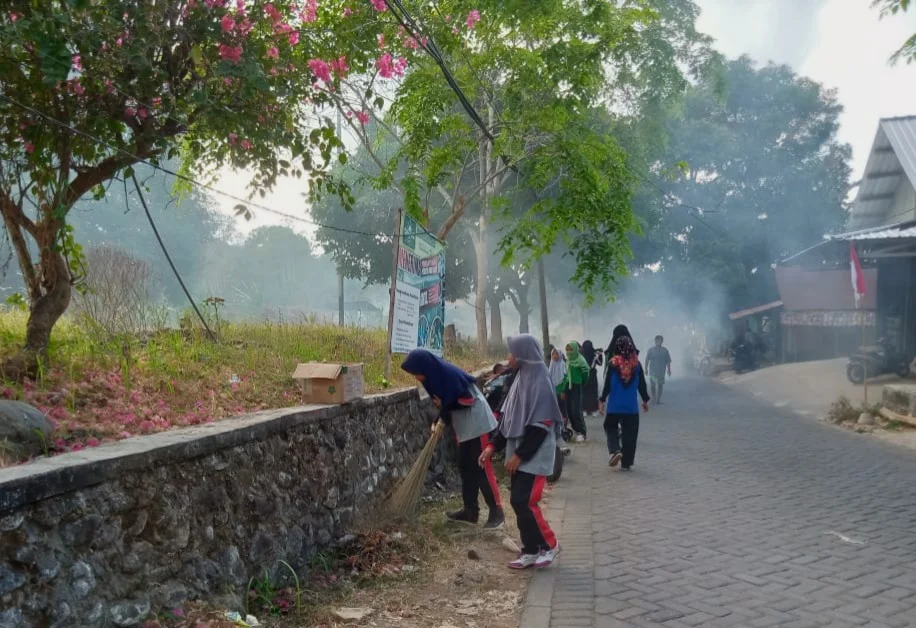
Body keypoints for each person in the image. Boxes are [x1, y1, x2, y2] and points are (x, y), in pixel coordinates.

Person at [479, 334, 561, 569]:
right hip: (520, 455)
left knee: (526, 501)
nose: (508, 357)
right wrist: (492, 446)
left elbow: (541, 427)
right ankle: (531, 550)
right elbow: (508, 420)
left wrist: (519, 455)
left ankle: (550, 544)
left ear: (524, 354)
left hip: (534, 456)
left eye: (512, 352)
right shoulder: (520, 378)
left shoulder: (541, 381)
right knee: (518, 501)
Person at [402, 350, 505, 529]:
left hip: (477, 423)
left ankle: (497, 513)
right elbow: (447, 402)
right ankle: (470, 512)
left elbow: (463, 399)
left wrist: (443, 409)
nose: (417, 377)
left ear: (424, 367)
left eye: (416, 373)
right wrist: (439, 420)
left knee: (481, 466)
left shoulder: (449, 376)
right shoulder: (433, 377)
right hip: (465, 427)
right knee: (466, 467)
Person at [600, 336, 650, 471]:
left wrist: (602, 400)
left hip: (614, 406)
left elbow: (607, 385)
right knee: (630, 435)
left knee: (610, 426)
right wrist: (645, 400)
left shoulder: (613, 363)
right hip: (631, 407)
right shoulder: (636, 364)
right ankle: (626, 463)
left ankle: (615, 450)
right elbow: (642, 385)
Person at [560, 342, 590, 441]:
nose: (569, 352)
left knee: (576, 410)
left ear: (575, 349)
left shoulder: (581, 361)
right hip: (568, 387)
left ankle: (582, 431)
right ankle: (575, 430)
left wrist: (582, 382)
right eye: (567, 350)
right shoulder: (567, 361)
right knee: (569, 410)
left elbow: (586, 373)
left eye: (570, 349)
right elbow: (565, 376)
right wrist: (563, 389)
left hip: (577, 386)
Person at [548, 346, 570, 454]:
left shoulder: (562, 365)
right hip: (553, 392)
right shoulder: (551, 366)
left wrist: (562, 390)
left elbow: (565, 379)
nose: (555, 356)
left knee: (562, 409)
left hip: (560, 392)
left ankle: (563, 427)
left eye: (556, 354)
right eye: (553, 354)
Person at [644, 335, 672, 404]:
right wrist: (646, 369)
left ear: (662, 341)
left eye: (660, 340)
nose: (658, 342)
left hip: (661, 371)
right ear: (655, 341)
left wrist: (669, 370)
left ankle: (658, 399)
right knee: (653, 385)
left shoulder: (665, 350)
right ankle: (654, 397)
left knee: (660, 385)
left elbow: (668, 361)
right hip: (652, 371)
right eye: (657, 340)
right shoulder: (651, 350)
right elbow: (647, 360)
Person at [581, 340, 604, 416]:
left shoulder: (581, 355)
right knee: (592, 392)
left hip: (584, 375)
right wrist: (600, 355)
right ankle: (593, 410)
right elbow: (600, 363)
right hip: (592, 375)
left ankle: (584, 410)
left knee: (585, 392)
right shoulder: (594, 354)